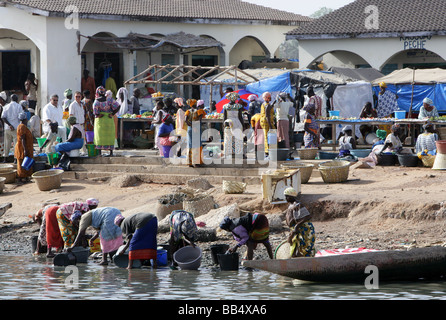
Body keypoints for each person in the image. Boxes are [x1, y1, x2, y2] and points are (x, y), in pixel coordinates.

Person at [284, 187, 316, 258]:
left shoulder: (298, 205)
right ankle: (297, 262)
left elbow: (307, 217)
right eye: (285, 196)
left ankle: (303, 261)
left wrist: (296, 228)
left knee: (302, 248)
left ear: (292, 196)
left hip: (303, 229)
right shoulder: (291, 205)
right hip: (296, 229)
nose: (286, 198)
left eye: (287, 196)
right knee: (294, 246)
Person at [93, 86, 120, 157]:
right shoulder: (110, 99)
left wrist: (99, 115)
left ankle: (99, 153)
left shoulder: (96, 101)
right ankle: (111, 152)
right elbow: (118, 106)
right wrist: (112, 113)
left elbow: (95, 112)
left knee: (99, 136)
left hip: (100, 121)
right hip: (109, 120)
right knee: (110, 135)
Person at [185, 99, 206, 167]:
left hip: (190, 129)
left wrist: (191, 126)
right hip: (196, 129)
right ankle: (196, 162)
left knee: (190, 144)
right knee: (197, 144)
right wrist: (194, 126)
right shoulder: (199, 111)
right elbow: (199, 121)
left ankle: (190, 162)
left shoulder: (188, 111)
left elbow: (186, 121)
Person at [223, 92, 244, 159]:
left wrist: (223, 125)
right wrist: (242, 125)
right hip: (237, 122)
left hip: (228, 122)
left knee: (228, 138)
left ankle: (228, 153)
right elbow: (240, 117)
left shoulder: (225, 106)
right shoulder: (239, 106)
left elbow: (224, 117)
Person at [14, 112, 34, 183]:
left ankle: (26, 177)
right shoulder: (21, 126)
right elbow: (22, 138)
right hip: (22, 147)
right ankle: (20, 178)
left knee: (26, 162)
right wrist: (25, 149)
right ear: (25, 119)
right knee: (22, 162)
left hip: (26, 147)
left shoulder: (24, 126)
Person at [2, 94, 22, 161]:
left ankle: (5, 158)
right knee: (16, 144)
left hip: (7, 128)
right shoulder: (19, 106)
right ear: (17, 99)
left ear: (11, 99)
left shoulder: (6, 106)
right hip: (16, 127)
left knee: (7, 143)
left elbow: (3, 117)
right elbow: (21, 117)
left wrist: (9, 125)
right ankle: (15, 159)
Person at [0, 92, 6, 159]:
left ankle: (1, 155)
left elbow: (2, 118)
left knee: (1, 141)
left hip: (1, 125)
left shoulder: (3, 107)